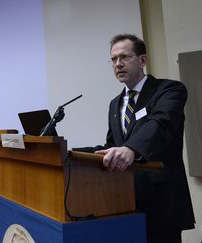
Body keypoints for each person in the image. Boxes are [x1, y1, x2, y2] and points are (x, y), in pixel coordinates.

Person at [77, 34, 195, 243]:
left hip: (161, 201)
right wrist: (70, 151)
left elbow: (159, 124)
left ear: (142, 60)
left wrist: (131, 149)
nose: (118, 64)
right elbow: (113, 146)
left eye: (124, 57)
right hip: (123, 201)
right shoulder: (115, 104)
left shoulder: (169, 90)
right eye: (113, 59)